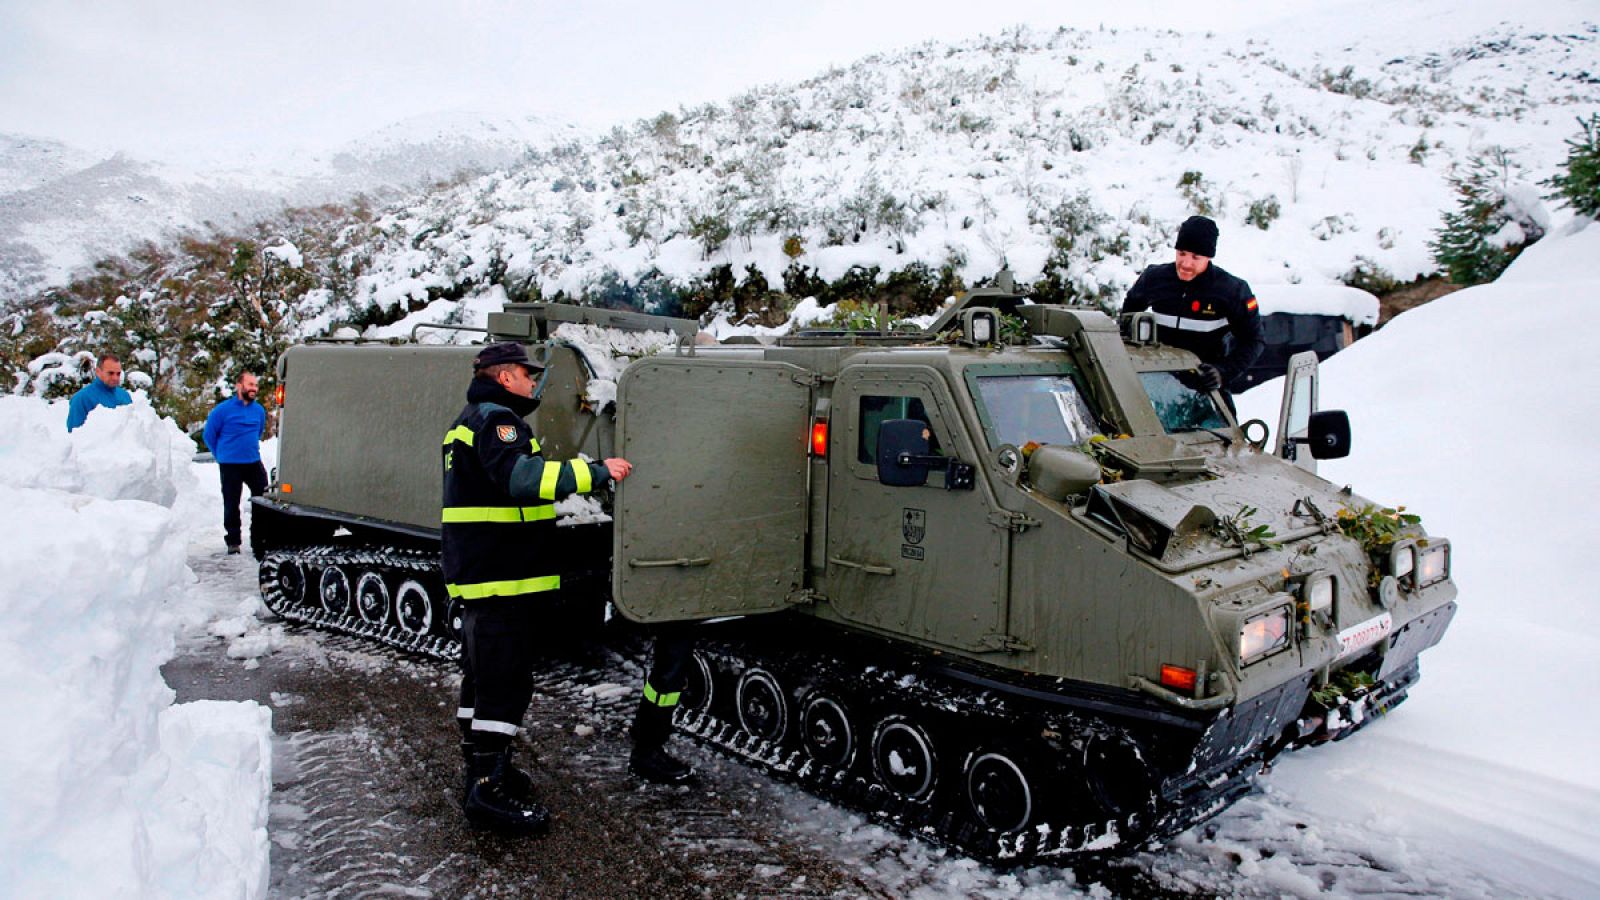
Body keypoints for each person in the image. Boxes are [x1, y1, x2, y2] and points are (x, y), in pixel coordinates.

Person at [1122, 215, 1264, 407]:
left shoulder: (1232, 291)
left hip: (1205, 391)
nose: (1186, 264)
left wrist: (1222, 372)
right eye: (1181, 253)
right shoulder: (1154, 279)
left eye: (1195, 257)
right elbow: (1126, 321)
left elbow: (1254, 340)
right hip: (1155, 387)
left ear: (1208, 257)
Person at [203, 372, 268, 554]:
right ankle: (233, 541)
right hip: (230, 464)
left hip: (253, 462)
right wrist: (221, 455)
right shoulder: (222, 410)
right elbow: (209, 435)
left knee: (263, 498)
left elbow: (259, 431)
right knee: (232, 502)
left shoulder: (259, 410)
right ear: (239, 386)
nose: (254, 388)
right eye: (250, 384)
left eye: (255, 385)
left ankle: (259, 539)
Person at [66, 353, 132, 431]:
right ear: (98, 372)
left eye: (118, 374)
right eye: (110, 373)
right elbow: (74, 435)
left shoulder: (124, 396)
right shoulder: (82, 399)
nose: (115, 378)